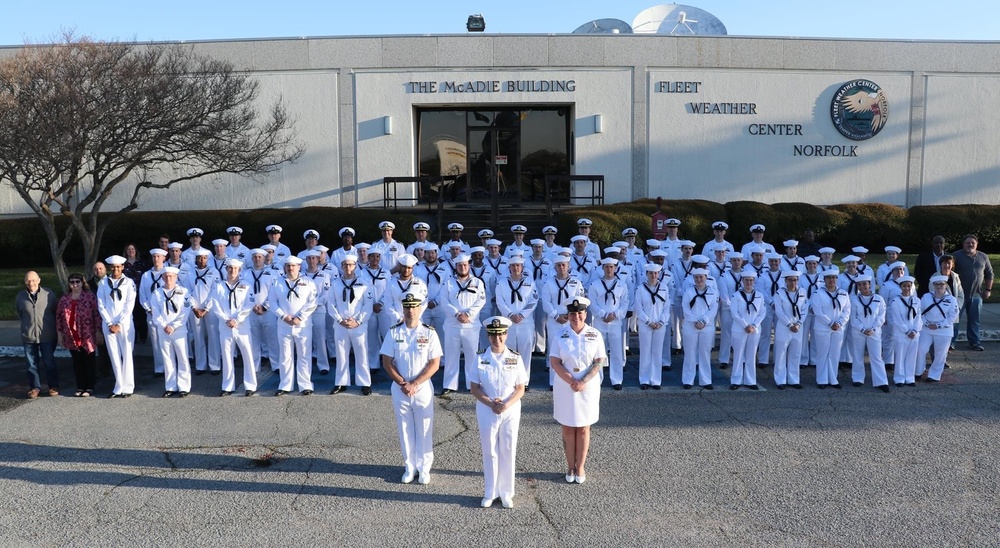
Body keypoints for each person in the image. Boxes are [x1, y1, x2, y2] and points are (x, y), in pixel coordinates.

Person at [380, 293, 442, 485]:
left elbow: (434, 363)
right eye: (407, 307)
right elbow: (387, 361)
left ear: (420, 308)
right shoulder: (394, 332)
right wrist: (402, 383)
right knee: (405, 428)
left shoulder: (429, 332)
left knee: (424, 428)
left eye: (414, 307)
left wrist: (414, 384)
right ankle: (409, 466)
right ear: (403, 309)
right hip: (400, 388)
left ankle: (424, 468)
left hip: (422, 388)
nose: (410, 310)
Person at [470, 316, 528, 508]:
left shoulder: (515, 357)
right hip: (487, 408)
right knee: (490, 451)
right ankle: (490, 492)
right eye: (493, 335)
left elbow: (520, 387)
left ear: (506, 334)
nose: (497, 339)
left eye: (501, 334)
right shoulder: (480, 357)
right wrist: (490, 403)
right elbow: (474, 388)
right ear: (488, 336)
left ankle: (506, 493)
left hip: (510, 408)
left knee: (508, 450)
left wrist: (505, 404)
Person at [549, 297, 604, 484]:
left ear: (585, 314)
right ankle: (569, 466)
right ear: (568, 315)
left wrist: (583, 381)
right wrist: (572, 381)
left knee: (583, 427)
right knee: (567, 426)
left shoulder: (595, 334)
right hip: (565, 386)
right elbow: (555, 362)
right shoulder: (560, 335)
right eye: (572, 313)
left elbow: (599, 361)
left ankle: (580, 466)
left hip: (587, 387)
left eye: (580, 313)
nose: (576, 316)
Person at [269, 255, 319, 395]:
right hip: (283, 324)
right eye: (288, 266)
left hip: (303, 325)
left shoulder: (308, 282)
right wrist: (283, 316)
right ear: (285, 267)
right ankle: (285, 385)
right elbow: (272, 302)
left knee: (304, 355)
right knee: (285, 356)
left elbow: (313, 302)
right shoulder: (277, 282)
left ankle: (305, 385)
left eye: (293, 266)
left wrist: (300, 317)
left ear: (299, 267)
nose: (291, 268)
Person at [327, 254, 375, 395]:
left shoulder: (365, 283)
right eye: (345, 265)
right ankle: (341, 383)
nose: (348, 267)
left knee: (362, 354)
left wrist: (358, 321)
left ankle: (365, 383)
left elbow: (368, 305)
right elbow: (331, 304)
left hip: (358, 324)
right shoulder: (335, 283)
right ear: (341, 266)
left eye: (351, 264)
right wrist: (339, 319)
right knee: (341, 354)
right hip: (341, 324)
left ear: (355, 266)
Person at [439, 254, 487, 394]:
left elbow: (481, 300)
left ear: (469, 265)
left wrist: (468, 314)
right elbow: (444, 300)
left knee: (472, 356)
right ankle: (449, 385)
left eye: (465, 265)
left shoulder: (478, 282)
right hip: (452, 324)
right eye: (460, 265)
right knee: (451, 355)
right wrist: (457, 314)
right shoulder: (447, 282)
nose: (462, 267)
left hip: (471, 325)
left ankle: (471, 385)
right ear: (456, 266)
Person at [212, 259, 257, 396]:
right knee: (226, 356)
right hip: (225, 326)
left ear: (239, 270)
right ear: (226, 269)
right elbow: (215, 305)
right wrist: (226, 319)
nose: (232, 271)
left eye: (235, 268)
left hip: (241, 326)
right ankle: (227, 386)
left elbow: (249, 305)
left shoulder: (246, 286)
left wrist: (237, 319)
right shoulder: (219, 286)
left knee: (247, 354)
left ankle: (250, 385)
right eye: (230, 268)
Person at [96, 255, 138, 398]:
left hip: (124, 323)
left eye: (118, 266)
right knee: (114, 355)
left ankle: (128, 386)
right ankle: (118, 386)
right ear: (110, 268)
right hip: (108, 323)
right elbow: (101, 305)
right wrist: (109, 323)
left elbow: (129, 305)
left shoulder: (129, 282)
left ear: (123, 267)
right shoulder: (103, 283)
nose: (115, 269)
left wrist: (119, 323)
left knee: (126, 354)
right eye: (113, 267)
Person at [56, 273, 101, 397]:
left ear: (82, 283)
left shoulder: (90, 297)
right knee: (77, 363)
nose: (75, 284)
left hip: (87, 334)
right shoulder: (64, 299)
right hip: (71, 335)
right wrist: (60, 335)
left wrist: (98, 331)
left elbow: (97, 315)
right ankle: (80, 386)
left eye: (77, 282)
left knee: (88, 362)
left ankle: (90, 386)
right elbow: (59, 317)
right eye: (72, 282)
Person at [150, 266, 193, 397]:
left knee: (183, 358)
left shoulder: (184, 292)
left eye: (171, 276)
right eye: (166, 276)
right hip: (163, 330)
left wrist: (173, 326)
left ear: (176, 278)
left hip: (178, 329)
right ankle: (170, 386)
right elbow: (155, 312)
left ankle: (184, 387)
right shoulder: (157, 293)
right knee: (167, 358)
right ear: (162, 278)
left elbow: (185, 312)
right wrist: (164, 325)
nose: (168, 279)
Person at [17, 271, 60, 398]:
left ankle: (53, 386)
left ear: (39, 280)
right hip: (29, 336)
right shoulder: (20, 296)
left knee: (49, 361)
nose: (31, 283)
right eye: (28, 280)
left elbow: (55, 311)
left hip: (47, 335)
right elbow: (20, 313)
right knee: (31, 364)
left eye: (34, 280)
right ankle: (35, 387)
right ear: (25, 282)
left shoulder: (48, 294)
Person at [951, 234, 993, 351]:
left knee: (974, 320)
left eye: (972, 243)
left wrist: (988, 290)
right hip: (959, 295)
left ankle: (974, 342)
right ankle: (951, 342)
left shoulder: (983, 257)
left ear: (976, 244)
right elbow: (949, 273)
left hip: (976, 295)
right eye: (967, 243)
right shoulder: (956, 256)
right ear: (963, 244)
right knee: (955, 319)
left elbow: (989, 274)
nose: (970, 245)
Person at [810, 269, 851, 389]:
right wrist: (830, 323)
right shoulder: (818, 293)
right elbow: (818, 311)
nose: (831, 280)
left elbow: (847, 311)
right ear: (824, 280)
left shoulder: (843, 293)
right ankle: (821, 379)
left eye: (834, 278)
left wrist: (839, 323)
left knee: (834, 354)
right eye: (829, 278)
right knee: (822, 353)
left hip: (838, 328)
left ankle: (833, 379)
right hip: (823, 328)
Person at [848, 276, 890, 392]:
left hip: (874, 332)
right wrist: (862, 329)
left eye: (864, 284)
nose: (862, 287)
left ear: (870, 284)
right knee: (857, 355)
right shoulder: (854, 299)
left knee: (876, 356)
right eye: (860, 285)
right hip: (858, 331)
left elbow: (881, 316)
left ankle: (881, 381)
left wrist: (873, 329)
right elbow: (853, 317)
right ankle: (857, 378)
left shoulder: (879, 299)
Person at [681, 268, 718, 390]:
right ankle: (688, 380)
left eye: (701, 277)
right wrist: (694, 321)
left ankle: (706, 380)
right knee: (690, 353)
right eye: (696, 277)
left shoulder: (713, 292)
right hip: (690, 325)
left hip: (706, 326)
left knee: (705, 353)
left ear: (706, 278)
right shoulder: (688, 291)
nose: (699, 279)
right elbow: (685, 307)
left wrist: (703, 321)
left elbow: (713, 309)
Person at [917, 275, 960, 382]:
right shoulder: (926, 297)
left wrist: (939, 325)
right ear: (933, 285)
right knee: (920, 349)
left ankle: (934, 375)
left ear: (945, 285)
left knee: (940, 354)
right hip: (926, 329)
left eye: (941, 284)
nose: (939, 286)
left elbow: (953, 316)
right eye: (936, 284)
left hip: (943, 331)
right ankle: (918, 371)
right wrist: (926, 323)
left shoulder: (951, 299)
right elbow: (919, 312)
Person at [729, 270, 766, 390]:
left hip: (754, 330)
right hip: (740, 329)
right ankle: (736, 380)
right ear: (742, 281)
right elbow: (735, 313)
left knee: (751, 355)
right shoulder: (736, 295)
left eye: (751, 280)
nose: (749, 282)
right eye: (746, 280)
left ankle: (750, 380)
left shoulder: (759, 295)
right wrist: (745, 325)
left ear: (754, 281)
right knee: (738, 354)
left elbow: (762, 312)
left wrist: (754, 325)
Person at [772, 270, 807, 389]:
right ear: (786, 281)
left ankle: (794, 379)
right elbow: (779, 311)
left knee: (796, 354)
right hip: (784, 327)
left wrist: (798, 324)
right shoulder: (779, 293)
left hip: (798, 327)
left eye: (795, 280)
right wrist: (789, 324)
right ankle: (780, 379)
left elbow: (804, 309)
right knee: (781, 353)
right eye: (791, 280)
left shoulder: (802, 292)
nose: (793, 282)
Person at [888, 276, 922, 387]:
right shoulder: (896, 301)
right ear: (900, 287)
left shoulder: (916, 300)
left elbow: (918, 317)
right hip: (901, 333)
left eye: (909, 286)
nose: (907, 288)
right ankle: (899, 378)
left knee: (912, 356)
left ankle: (910, 378)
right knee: (900, 356)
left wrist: (915, 330)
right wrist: (907, 331)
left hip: (914, 333)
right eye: (904, 286)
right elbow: (897, 318)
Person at [122, 243, 148, 344]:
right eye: (129, 249)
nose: (131, 251)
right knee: (131, 315)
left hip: (140, 293)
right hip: (128, 294)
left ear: (135, 251)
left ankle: (143, 337)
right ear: (126, 252)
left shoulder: (141, 263)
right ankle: (134, 336)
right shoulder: (123, 265)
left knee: (141, 316)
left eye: (132, 249)